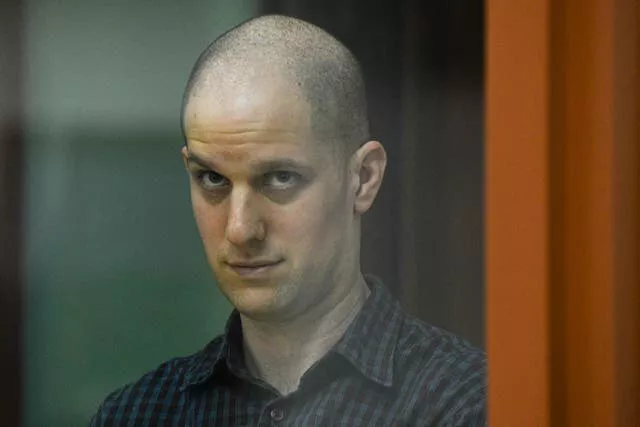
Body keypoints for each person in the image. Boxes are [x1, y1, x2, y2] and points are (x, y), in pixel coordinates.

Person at [90, 14, 486, 426]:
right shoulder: (138, 415)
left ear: (364, 178)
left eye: (280, 178)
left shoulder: (466, 406)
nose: (240, 229)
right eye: (212, 179)